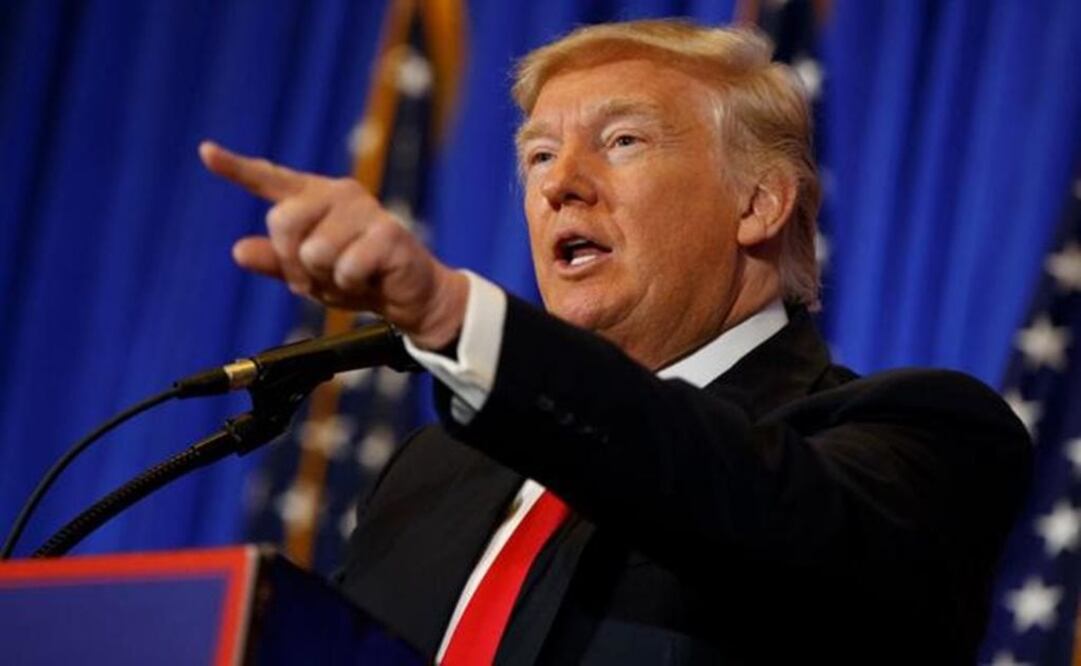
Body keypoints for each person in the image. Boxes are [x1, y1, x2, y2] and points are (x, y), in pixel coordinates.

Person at [201, 19, 1031, 665]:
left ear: (760, 204)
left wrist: (459, 321)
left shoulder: (918, 437)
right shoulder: (431, 473)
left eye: (622, 141)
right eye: (537, 154)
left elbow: (723, 484)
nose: (559, 183)